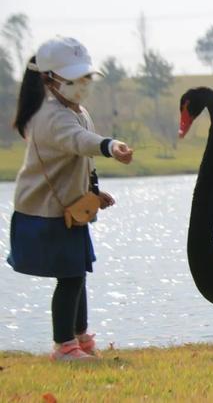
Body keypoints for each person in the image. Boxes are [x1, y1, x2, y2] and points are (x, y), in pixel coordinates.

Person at [7, 36, 134, 361]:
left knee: (77, 272)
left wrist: (93, 193)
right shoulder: (49, 115)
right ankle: (64, 345)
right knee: (70, 276)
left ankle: (78, 338)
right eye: (73, 79)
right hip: (45, 212)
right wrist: (109, 145)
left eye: (85, 78)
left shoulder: (76, 109)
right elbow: (79, 142)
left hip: (68, 209)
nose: (82, 85)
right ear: (49, 79)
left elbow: (80, 160)